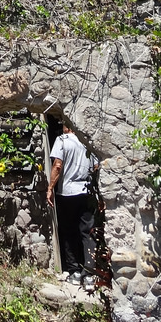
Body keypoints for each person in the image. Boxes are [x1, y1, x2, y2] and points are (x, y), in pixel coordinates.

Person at [46, 124, 98, 290]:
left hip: (67, 193)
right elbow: (96, 167)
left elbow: (57, 165)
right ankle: (89, 274)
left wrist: (50, 188)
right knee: (87, 232)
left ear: (67, 126)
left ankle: (74, 272)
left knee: (69, 232)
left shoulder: (62, 140)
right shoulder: (87, 142)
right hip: (86, 192)